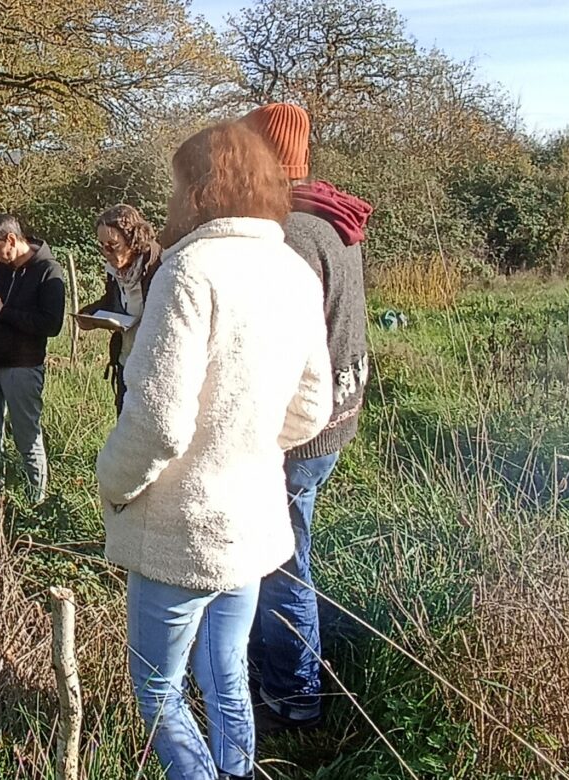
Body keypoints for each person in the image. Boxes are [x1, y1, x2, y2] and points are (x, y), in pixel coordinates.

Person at [96, 121, 333, 780]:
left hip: (181, 524)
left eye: (176, 184)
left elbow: (159, 424)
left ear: (200, 190)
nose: (170, 199)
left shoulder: (189, 270)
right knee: (227, 675)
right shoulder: (292, 267)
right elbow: (312, 407)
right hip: (253, 518)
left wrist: (112, 482)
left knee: (158, 690)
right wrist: (245, 445)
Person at [241, 102, 373, 735]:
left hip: (298, 430)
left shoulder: (287, 233)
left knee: (280, 560)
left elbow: (274, 347)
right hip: (336, 415)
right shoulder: (330, 216)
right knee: (289, 552)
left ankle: (294, 694)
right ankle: (281, 675)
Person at [0, 214, 65, 504]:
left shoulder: (49, 272)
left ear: (11, 239)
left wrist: (3, 311)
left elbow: (51, 324)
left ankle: (36, 503)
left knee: (27, 439)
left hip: (21, 367)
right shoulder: (1, 268)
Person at [77, 204, 164, 414]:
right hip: (126, 362)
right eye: (102, 245)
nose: (106, 252)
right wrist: (90, 314)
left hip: (156, 367)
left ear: (132, 238)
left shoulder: (160, 266)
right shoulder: (115, 271)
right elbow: (111, 302)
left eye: (113, 245)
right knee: (125, 429)